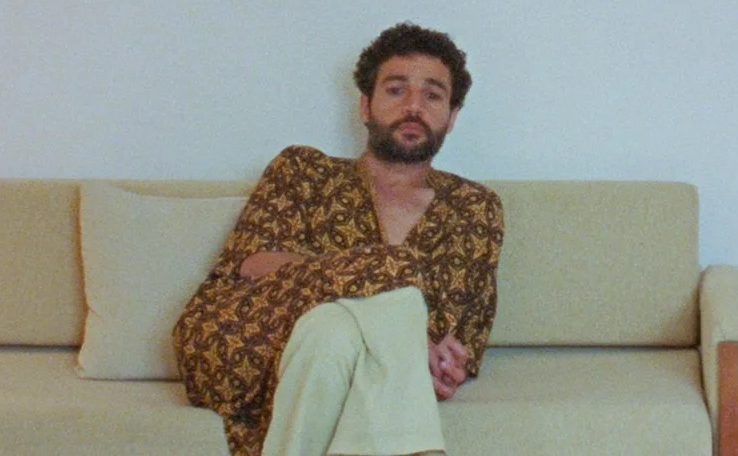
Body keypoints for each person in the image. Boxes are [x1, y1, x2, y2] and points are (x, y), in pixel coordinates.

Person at [173, 23, 504, 456]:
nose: (413, 106)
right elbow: (253, 265)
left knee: (334, 331)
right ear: (366, 105)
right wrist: (386, 281)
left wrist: (446, 363)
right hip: (243, 348)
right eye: (396, 90)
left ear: (452, 116)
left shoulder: (473, 207)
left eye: (432, 95)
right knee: (394, 283)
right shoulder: (303, 171)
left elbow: (461, 330)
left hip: (346, 367)